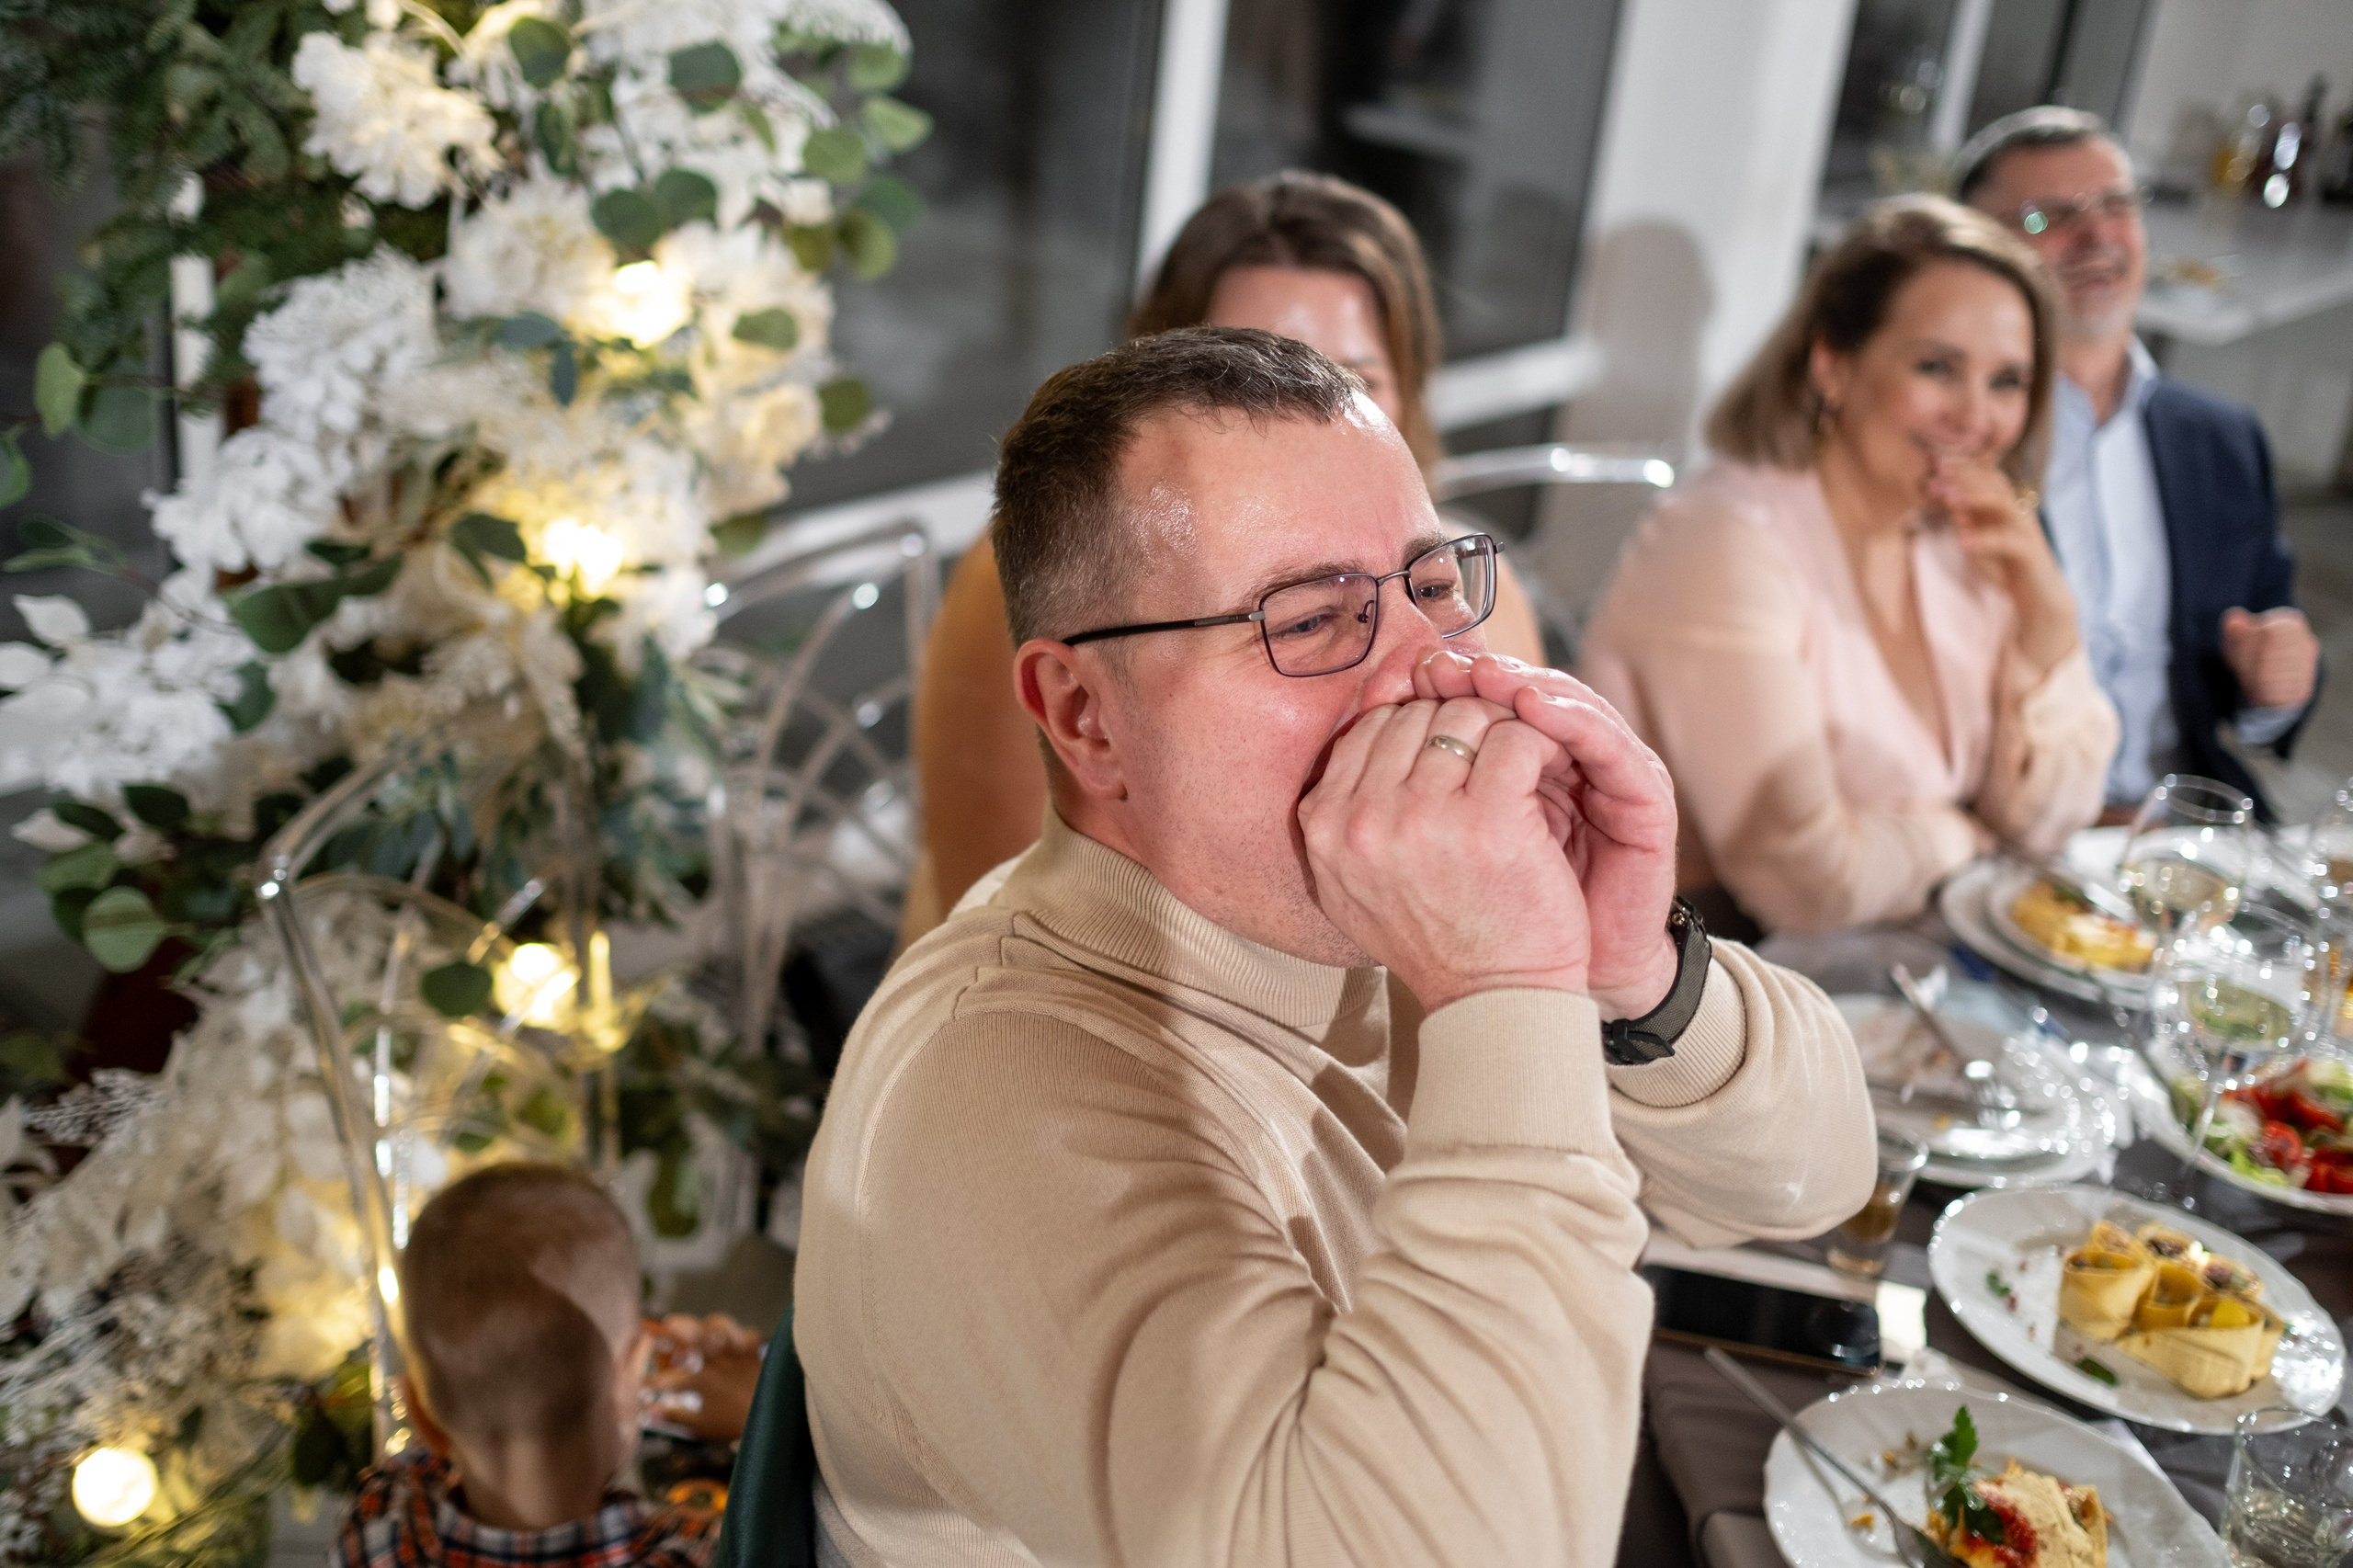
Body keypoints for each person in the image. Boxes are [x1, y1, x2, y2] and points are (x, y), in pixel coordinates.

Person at [791, 327, 1875, 1567]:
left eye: (1426, 582)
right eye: (1311, 618)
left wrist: (1630, 968)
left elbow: (1813, 1176)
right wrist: (1504, 985)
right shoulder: (990, 1094)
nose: (1433, 667)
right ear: (1087, 716)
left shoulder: (1364, 905)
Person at [905, 172, 1547, 938]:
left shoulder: (1480, 586)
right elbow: (1005, 904)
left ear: (1406, 391)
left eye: (1352, 382)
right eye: (1241, 371)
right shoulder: (1042, 590)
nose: (1304, 409)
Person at [1581, 197, 2117, 936]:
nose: (1974, 417)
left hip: (1894, 957)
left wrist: (2049, 620)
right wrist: (1968, 838)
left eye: (2007, 382)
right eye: (1938, 367)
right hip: (1699, 980)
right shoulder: (1723, 546)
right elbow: (1807, 888)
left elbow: (2049, 819)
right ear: (1833, 364)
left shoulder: (1965, 538)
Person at [1957, 107, 2320, 818]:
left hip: (2187, 824)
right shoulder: (1957, 445)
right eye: (2048, 216)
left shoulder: (2222, 439)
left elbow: (2262, 656)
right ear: (1971, 252)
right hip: (2007, 829)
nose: (2096, 235)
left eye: (2116, 204)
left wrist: (2277, 685)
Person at [332, 1165, 760, 1568]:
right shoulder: (706, 1553)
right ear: (630, 1383)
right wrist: (758, 1410)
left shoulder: (380, 1528)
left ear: (422, 1415)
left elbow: (418, 1460)